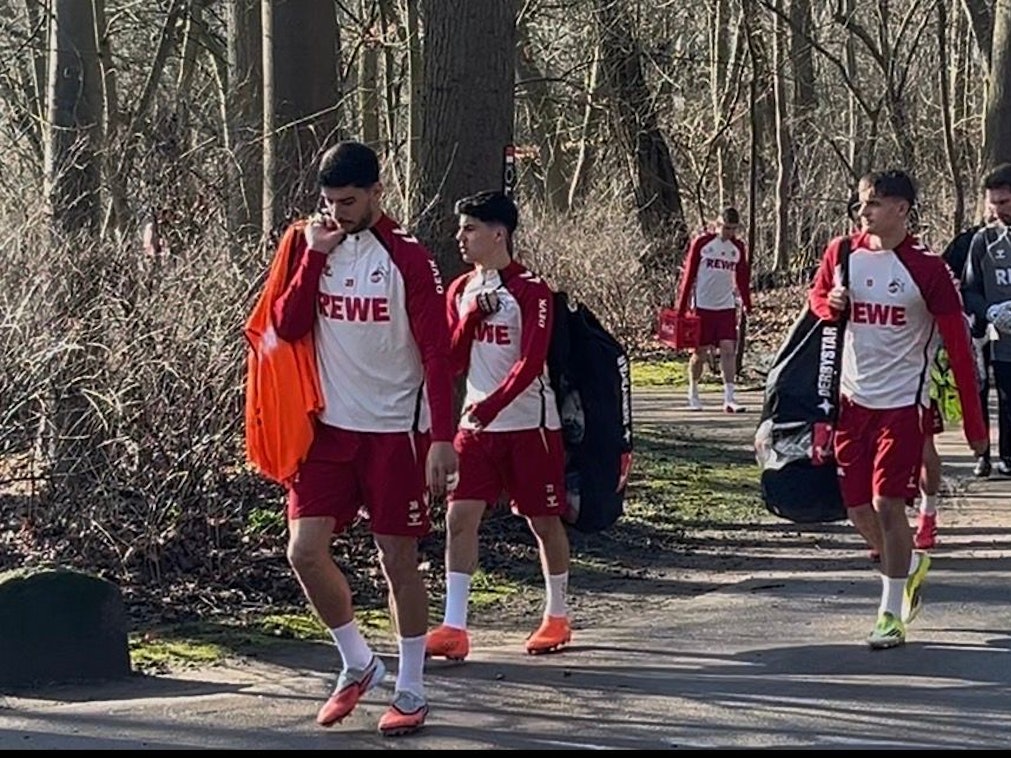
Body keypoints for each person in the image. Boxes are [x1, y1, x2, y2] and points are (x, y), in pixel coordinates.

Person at [268, 141, 458, 736]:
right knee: (303, 550)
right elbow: (286, 324)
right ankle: (357, 663)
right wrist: (315, 259)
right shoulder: (310, 242)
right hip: (327, 430)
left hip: (393, 433)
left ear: (378, 192)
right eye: (328, 201)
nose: (337, 212)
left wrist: (443, 439)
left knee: (397, 558)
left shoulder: (408, 257)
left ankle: (411, 686)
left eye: (348, 201)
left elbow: (438, 353)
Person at [809, 170, 987, 649]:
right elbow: (819, 300)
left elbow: (958, 345)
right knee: (857, 510)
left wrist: (976, 425)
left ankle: (890, 614)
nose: (863, 212)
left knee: (889, 503)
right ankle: (907, 566)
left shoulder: (928, 270)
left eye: (874, 203)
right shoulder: (842, 252)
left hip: (903, 404)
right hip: (851, 401)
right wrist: (830, 302)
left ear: (902, 209)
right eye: (861, 204)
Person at [426, 190, 573, 662]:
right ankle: (454, 626)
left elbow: (531, 361)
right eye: (460, 229)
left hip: (531, 425)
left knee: (542, 520)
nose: (460, 238)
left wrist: (494, 405)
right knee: (458, 518)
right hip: (476, 430)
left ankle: (557, 614)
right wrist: (469, 320)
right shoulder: (459, 289)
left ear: (498, 234)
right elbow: (449, 362)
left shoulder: (533, 290)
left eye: (469, 229)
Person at [675, 207, 752, 412]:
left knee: (728, 350)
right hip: (702, 306)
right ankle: (693, 390)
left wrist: (747, 302)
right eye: (726, 228)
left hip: (726, 306)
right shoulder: (702, 243)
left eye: (733, 229)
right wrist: (681, 311)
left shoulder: (737, 248)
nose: (729, 233)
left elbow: (742, 277)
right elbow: (689, 276)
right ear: (717, 225)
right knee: (700, 353)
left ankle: (729, 397)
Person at [961, 163, 1011, 475]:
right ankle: (989, 455)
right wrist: (990, 312)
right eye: (992, 204)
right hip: (993, 337)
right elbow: (969, 289)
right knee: (991, 398)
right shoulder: (983, 241)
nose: (997, 211)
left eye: (1004, 203)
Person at [942, 223, 992, 477]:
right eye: (992, 202)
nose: (995, 209)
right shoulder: (969, 240)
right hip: (977, 328)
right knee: (979, 387)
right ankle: (983, 455)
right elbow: (946, 276)